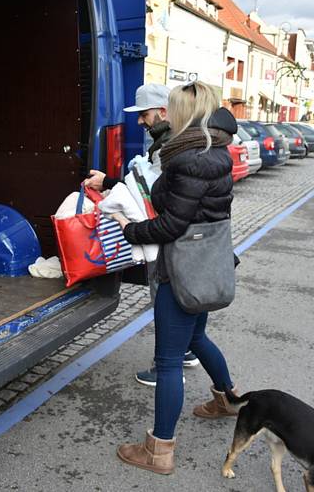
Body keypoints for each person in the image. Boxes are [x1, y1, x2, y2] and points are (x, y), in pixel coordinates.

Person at [111, 81, 240, 475]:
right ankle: (227, 400)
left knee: (167, 362)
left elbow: (171, 225)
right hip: (209, 264)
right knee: (196, 336)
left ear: (184, 114)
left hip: (182, 270)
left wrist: (129, 229)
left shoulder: (186, 159)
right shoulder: (216, 150)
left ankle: (158, 451)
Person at [86, 83, 201, 387]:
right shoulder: (178, 142)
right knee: (185, 303)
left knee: (164, 303)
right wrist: (111, 181)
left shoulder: (169, 149)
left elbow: (150, 197)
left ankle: (166, 367)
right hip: (186, 242)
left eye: (144, 114)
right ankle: (188, 351)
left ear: (164, 112)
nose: (139, 121)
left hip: (165, 241)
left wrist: (130, 226)